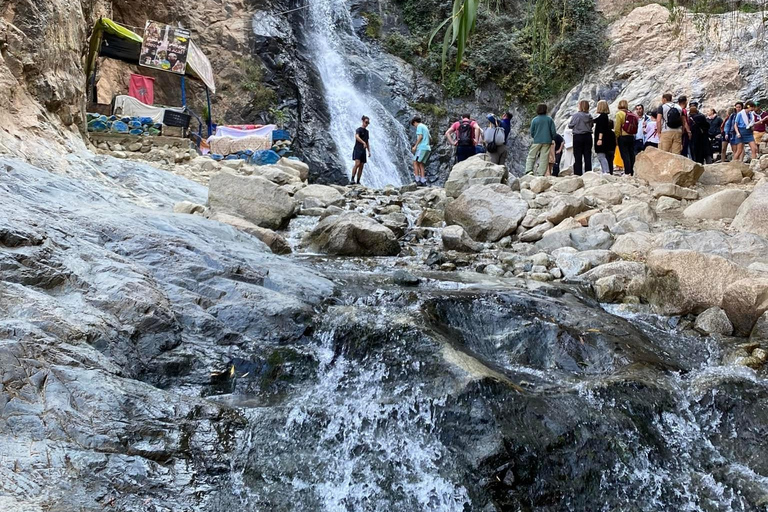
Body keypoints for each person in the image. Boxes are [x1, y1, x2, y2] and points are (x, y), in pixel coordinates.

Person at [525, 103, 557, 176]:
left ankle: (529, 170)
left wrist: (535, 137)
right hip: (547, 141)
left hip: (537, 140)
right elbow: (553, 132)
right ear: (546, 110)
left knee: (531, 155)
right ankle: (541, 174)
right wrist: (552, 138)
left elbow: (532, 132)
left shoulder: (535, 120)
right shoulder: (549, 119)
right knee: (544, 158)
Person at [567, 100, 593, 175]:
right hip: (588, 136)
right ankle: (588, 173)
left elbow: (570, 125)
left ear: (580, 106)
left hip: (577, 136)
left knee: (577, 156)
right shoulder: (589, 116)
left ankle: (578, 173)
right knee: (587, 155)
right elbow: (591, 125)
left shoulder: (576, 115)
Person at [614, 99, 637, 175]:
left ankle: (627, 172)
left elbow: (617, 127)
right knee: (631, 155)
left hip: (623, 137)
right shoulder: (631, 113)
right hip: (631, 136)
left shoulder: (619, 114)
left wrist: (616, 136)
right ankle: (632, 171)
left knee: (625, 155)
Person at [594, 100, 616, 174]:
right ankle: (606, 171)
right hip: (606, 139)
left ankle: (606, 171)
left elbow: (601, 129)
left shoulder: (602, 117)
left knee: (601, 156)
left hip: (601, 139)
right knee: (604, 156)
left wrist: (600, 139)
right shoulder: (604, 117)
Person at [410, 116, 430, 186]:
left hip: (422, 147)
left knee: (415, 162)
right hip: (427, 148)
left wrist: (415, 146)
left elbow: (420, 136)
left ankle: (417, 180)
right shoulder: (425, 127)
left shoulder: (419, 126)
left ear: (415, 122)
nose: (415, 127)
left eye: (414, 125)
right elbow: (430, 138)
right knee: (420, 163)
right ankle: (423, 180)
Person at [351, 115, 371, 184]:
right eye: (366, 122)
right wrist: (363, 142)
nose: (367, 124)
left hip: (363, 150)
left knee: (362, 166)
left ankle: (358, 181)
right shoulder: (359, 129)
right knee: (357, 164)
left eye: (368, 123)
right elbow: (356, 136)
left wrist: (369, 151)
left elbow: (367, 141)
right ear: (363, 121)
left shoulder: (367, 132)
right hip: (357, 148)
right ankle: (352, 179)